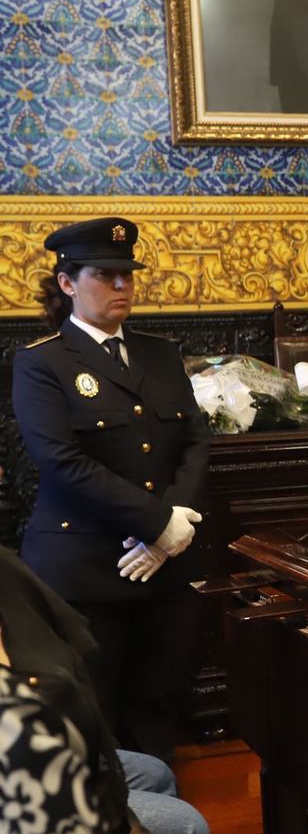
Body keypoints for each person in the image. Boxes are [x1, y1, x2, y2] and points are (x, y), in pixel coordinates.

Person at [11, 218, 210, 765]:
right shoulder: (42, 362)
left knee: (157, 702)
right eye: (105, 274)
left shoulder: (159, 354)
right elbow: (61, 461)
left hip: (164, 566)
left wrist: (172, 531)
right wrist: (155, 523)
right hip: (87, 567)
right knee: (93, 710)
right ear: (69, 282)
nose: (121, 286)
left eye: (127, 274)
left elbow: (195, 439)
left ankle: (165, 822)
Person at [0, 547, 212, 834]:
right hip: (32, 824)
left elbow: (67, 684)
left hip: (60, 766)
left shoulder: (7, 573)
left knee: (153, 772)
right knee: (186, 826)